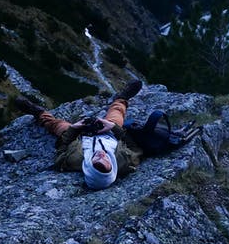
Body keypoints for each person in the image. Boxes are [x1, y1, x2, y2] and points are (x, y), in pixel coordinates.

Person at [14, 80, 143, 190]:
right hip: (108, 132)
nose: (101, 156)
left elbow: (61, 148)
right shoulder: (125, 162)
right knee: (116, 113)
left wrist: (74, 129)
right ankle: (121, 99)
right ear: (112, 169)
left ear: (89, 168)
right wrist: (113, 128)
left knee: (56, 125)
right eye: (106, 162)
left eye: (96, 162)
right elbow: (135, 147)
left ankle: (39, 113)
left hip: (81, 136)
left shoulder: (74, 161)